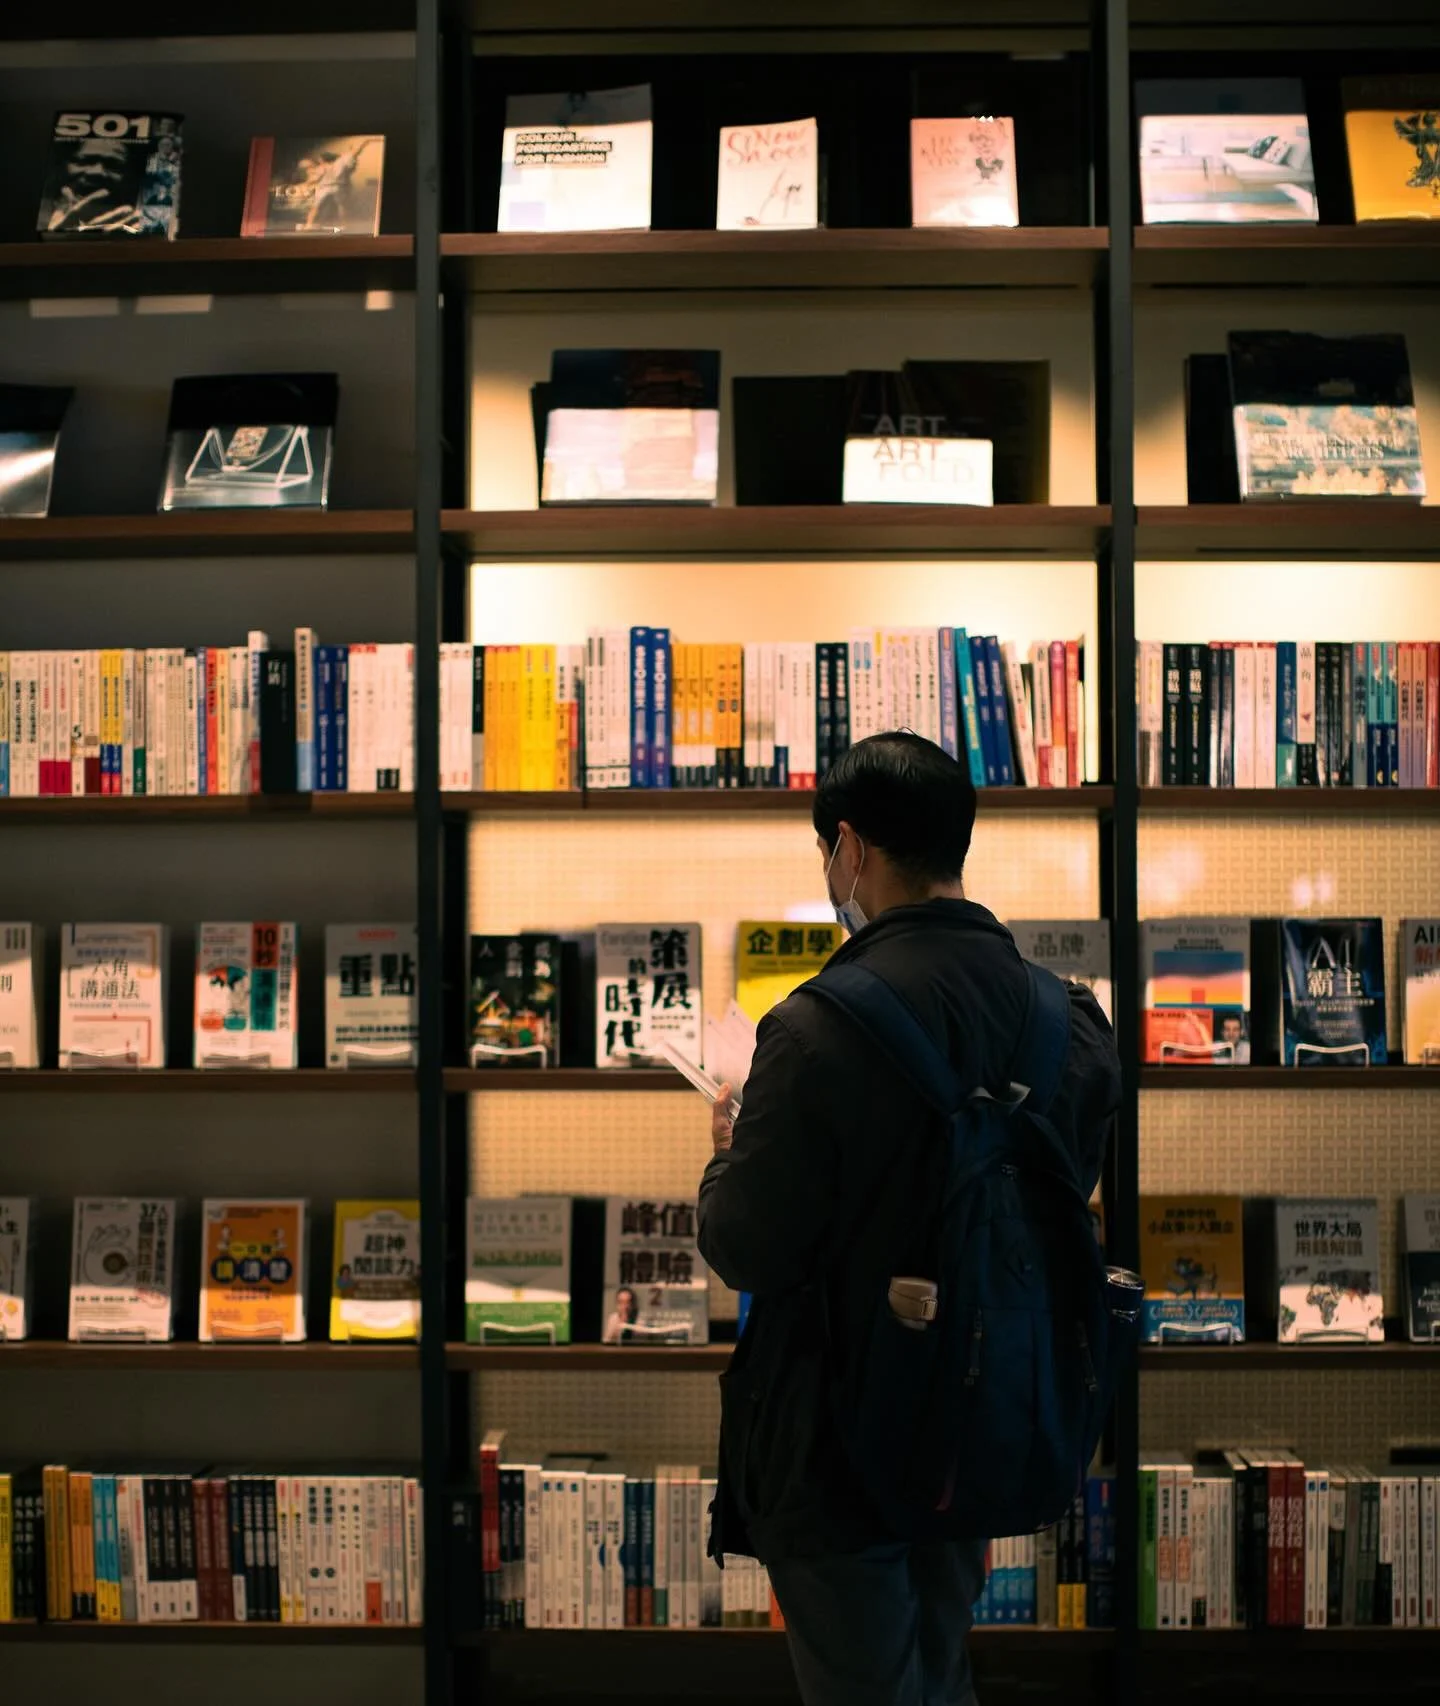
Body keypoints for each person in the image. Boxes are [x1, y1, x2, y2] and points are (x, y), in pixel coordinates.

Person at [697, 730, 1121, 1706]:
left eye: (827, 855)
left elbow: (747, 1244)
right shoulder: (1070, 1020)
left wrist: (726, 1145)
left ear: (849, 849)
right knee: (939, 1671)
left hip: (838, 1442)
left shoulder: (814, 1026)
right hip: (990, 1411)